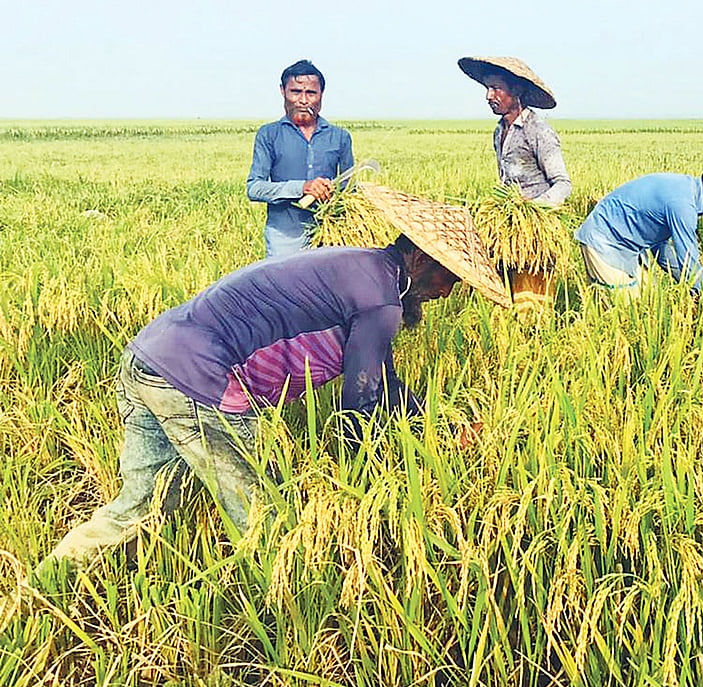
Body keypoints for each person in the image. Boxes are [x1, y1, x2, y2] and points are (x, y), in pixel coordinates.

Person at [40, 199, 506, 570]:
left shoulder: (363, 267)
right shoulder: (379, 298)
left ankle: (42, 588)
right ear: (422, 257)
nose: (448, 292)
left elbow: (381, 377)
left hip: (149, 358)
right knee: (268, 517)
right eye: (451, 277)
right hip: (201, 380)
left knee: (140, 508)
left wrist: (435, 422)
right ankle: (288, 612)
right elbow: (360, 405)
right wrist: (368, 482)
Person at [573, 157, 703, 297]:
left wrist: (688, 283)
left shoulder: (688, 193)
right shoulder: (682, 204)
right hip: (604, 240)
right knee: (627, 310)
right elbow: (688, 258)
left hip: (631, 247)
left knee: (651, 301)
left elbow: (662, 250)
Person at [247, 59, 354, 258]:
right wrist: (302, 187)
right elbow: (254, 188)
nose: (303, 100)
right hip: (284, 242)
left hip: (330, 240)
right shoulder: (269, 135)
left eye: (311, 93)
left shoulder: (340, 137)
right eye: (295, 92)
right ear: (283, 91)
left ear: (321, 95)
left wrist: (331, 191)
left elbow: (350, 190)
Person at [458, 56, 571, 207]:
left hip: (536, 218)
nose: (489, 96)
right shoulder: (499, 131)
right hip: (510, 213)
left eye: (496, 88)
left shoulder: (538, 130)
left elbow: (563, 184)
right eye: (487, 88)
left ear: (517, 90)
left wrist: (533, 208)